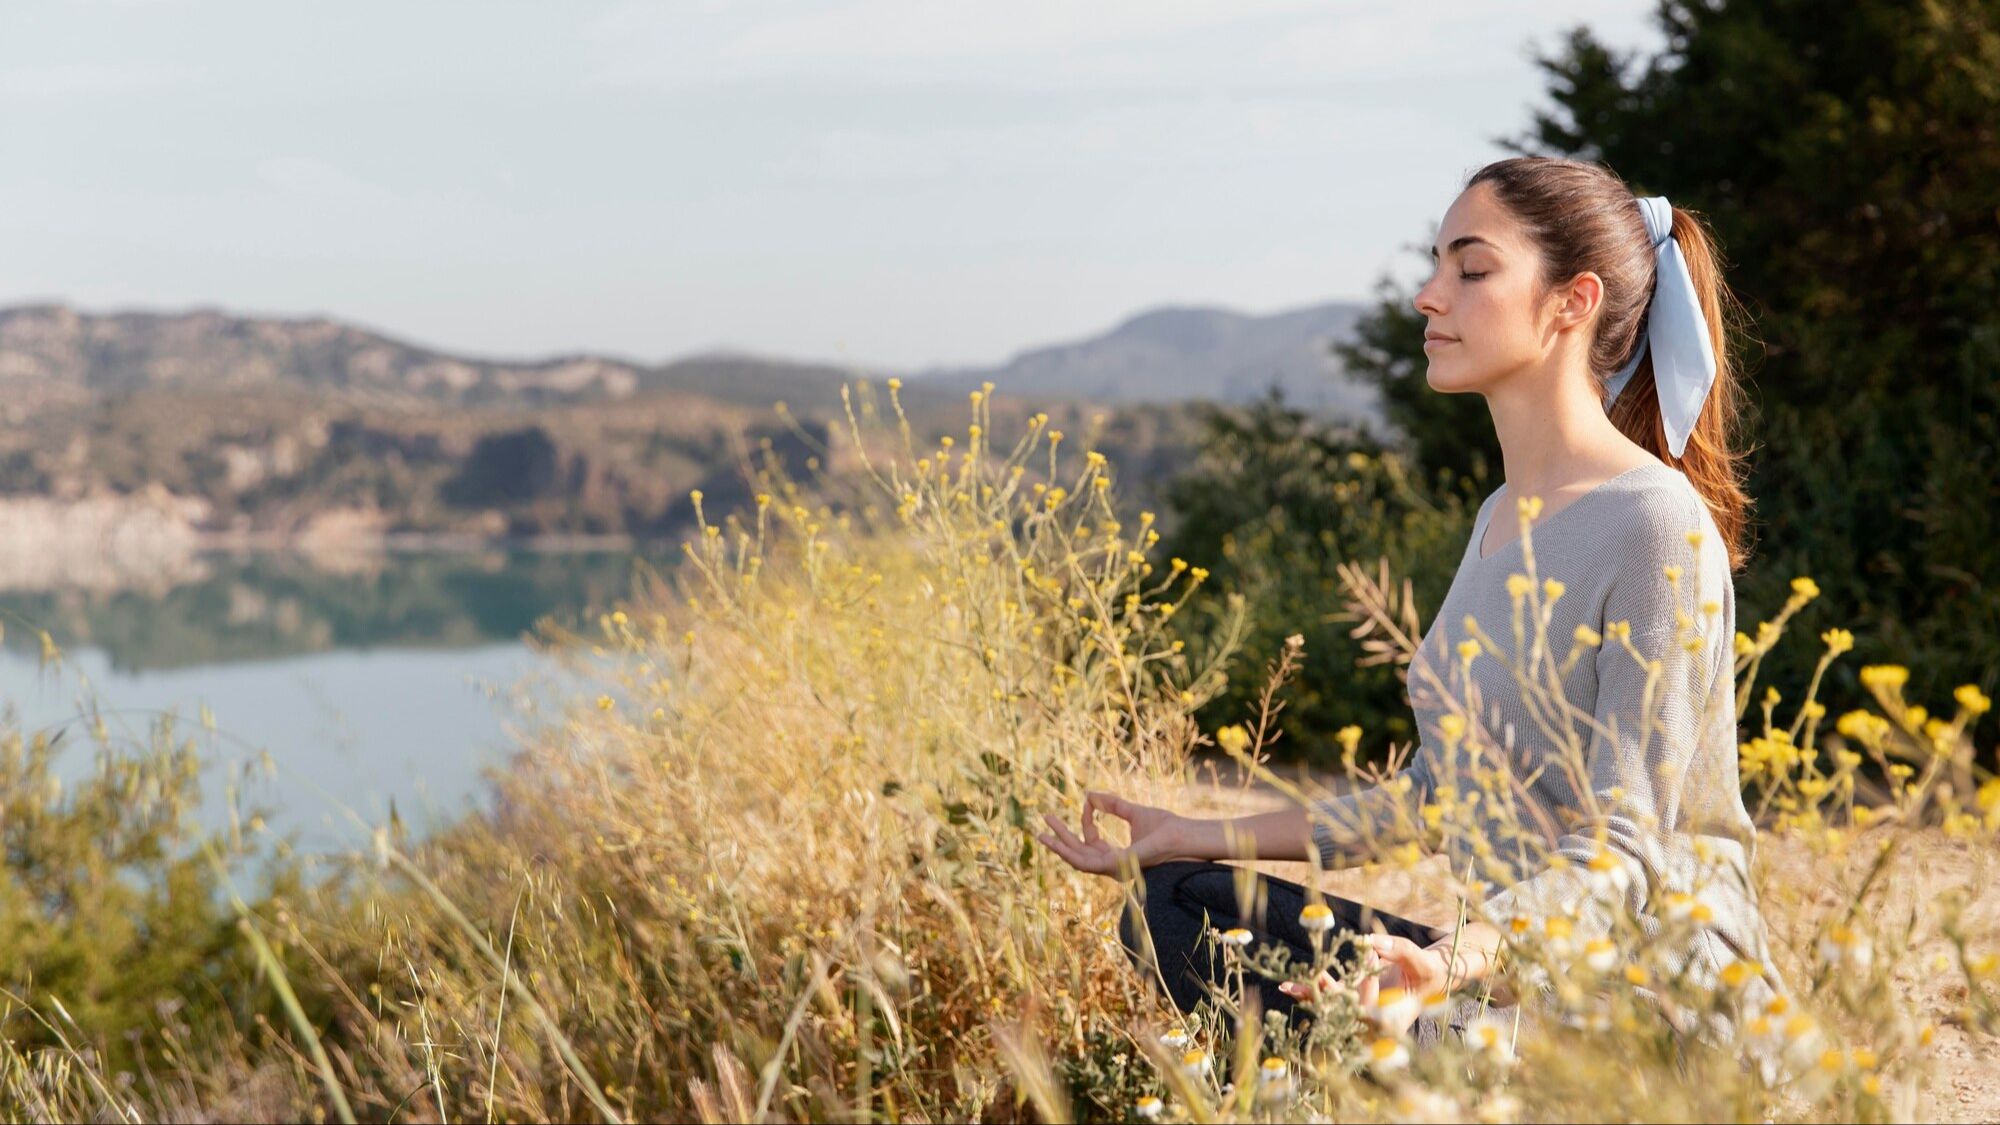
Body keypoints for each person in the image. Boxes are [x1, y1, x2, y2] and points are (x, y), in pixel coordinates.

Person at [1037, 155, 1790, 1059]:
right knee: (1176, 901)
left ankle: (1418, 1056)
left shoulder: (1654, 524)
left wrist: (1448, 961)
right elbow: (1435, 797)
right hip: (1509, 980)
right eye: (1437, 266)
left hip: (1655, 1022)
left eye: (1472, 269)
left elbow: (1626, 851)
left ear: (1573, 301)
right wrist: (1187, 832)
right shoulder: (1499, 517)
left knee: (1364, 1019)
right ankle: (1410, 1052)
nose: (1430, 296)